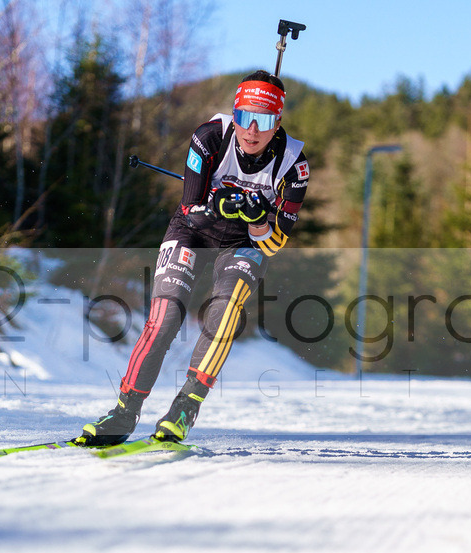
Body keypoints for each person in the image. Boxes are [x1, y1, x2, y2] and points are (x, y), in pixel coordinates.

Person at [76, 69, 310, 446]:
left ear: (277, 122)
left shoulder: (294, 166)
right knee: (165, 315)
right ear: (234, 114)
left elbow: (274, 243)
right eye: (245, 117)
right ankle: (123, 412)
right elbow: (190, 209)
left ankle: (185, 406)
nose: (252, 130)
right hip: (194, 231)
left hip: (243, 243)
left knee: (226, 310)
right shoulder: (209, 137)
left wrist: (256, 223)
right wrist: (219, 202)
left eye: (264, 121)